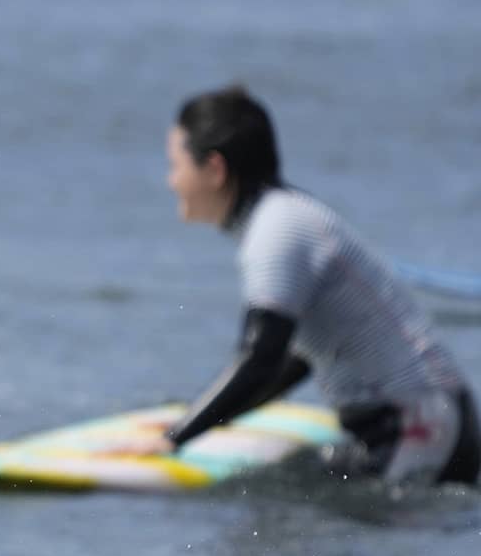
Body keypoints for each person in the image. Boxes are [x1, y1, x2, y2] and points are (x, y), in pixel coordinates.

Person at [122, 85, 478, 484]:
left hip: (420, 426)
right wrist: (204, 419)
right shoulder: (286, 219)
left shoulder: (277, 232)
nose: (171, 181)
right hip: (429, 420)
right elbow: (292, 362)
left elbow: (260, 359)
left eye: (175, 165)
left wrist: (175, 438)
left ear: (215, 170)